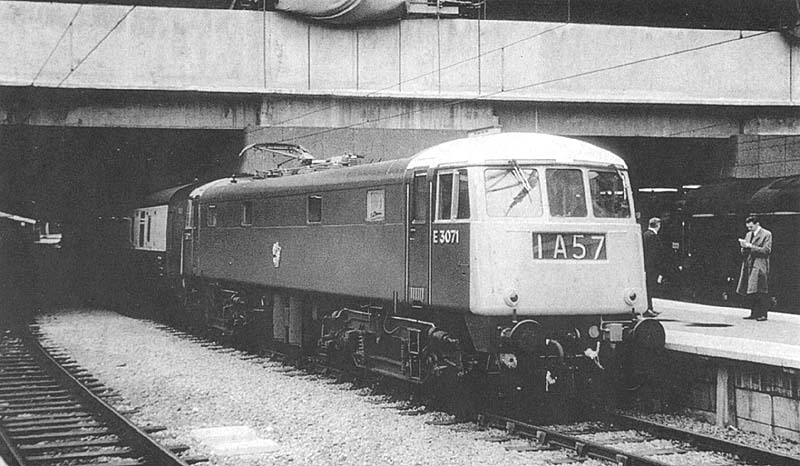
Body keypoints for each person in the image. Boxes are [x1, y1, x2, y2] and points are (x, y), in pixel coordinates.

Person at [737, 216, 772, 321]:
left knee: (760, 289)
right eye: (748, 227)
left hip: (760, 264)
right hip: (749, 263)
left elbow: (766, 250)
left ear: (757, 224)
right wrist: (743, 247)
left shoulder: (767, 234)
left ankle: (763, 314)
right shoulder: (748, 234)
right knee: (751, 290)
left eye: (751, 227)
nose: (749, 229)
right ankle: (754, 312)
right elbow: (744, 251)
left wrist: (751, 247)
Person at [642, 217, 663, 318]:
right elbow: (654, 254)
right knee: (649, 288)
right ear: (658, 225)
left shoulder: (645, 235)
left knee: (648, 288)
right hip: (651, 268)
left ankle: (649, 307)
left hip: (646, 267)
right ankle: (648, 309)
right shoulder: (652, 236)